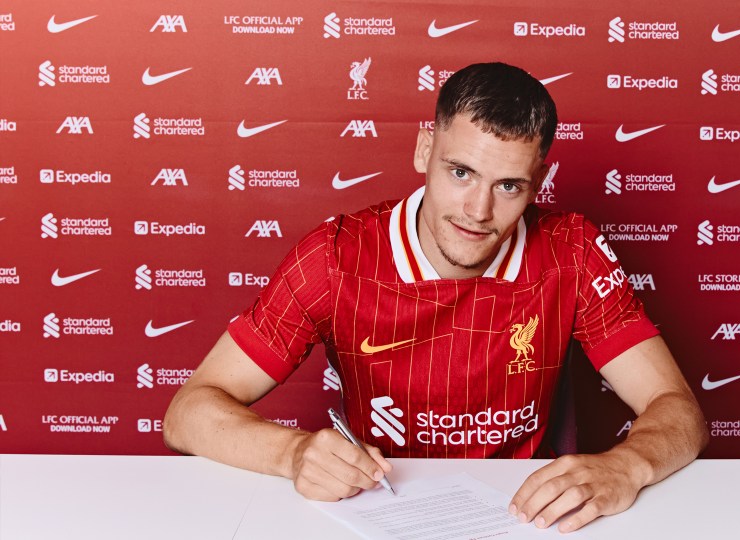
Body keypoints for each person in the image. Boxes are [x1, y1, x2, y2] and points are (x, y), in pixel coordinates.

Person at [163, 62, 708, 533]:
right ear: (425, 149)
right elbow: (188, 412)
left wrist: (627, 466)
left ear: (538, 180)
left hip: (524, 519)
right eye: (461, 172)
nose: (478, 210)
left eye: (509, 186)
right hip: (375, 512)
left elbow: (677, 408)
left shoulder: (571, 250)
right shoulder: (337, 256)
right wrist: (294, 453)